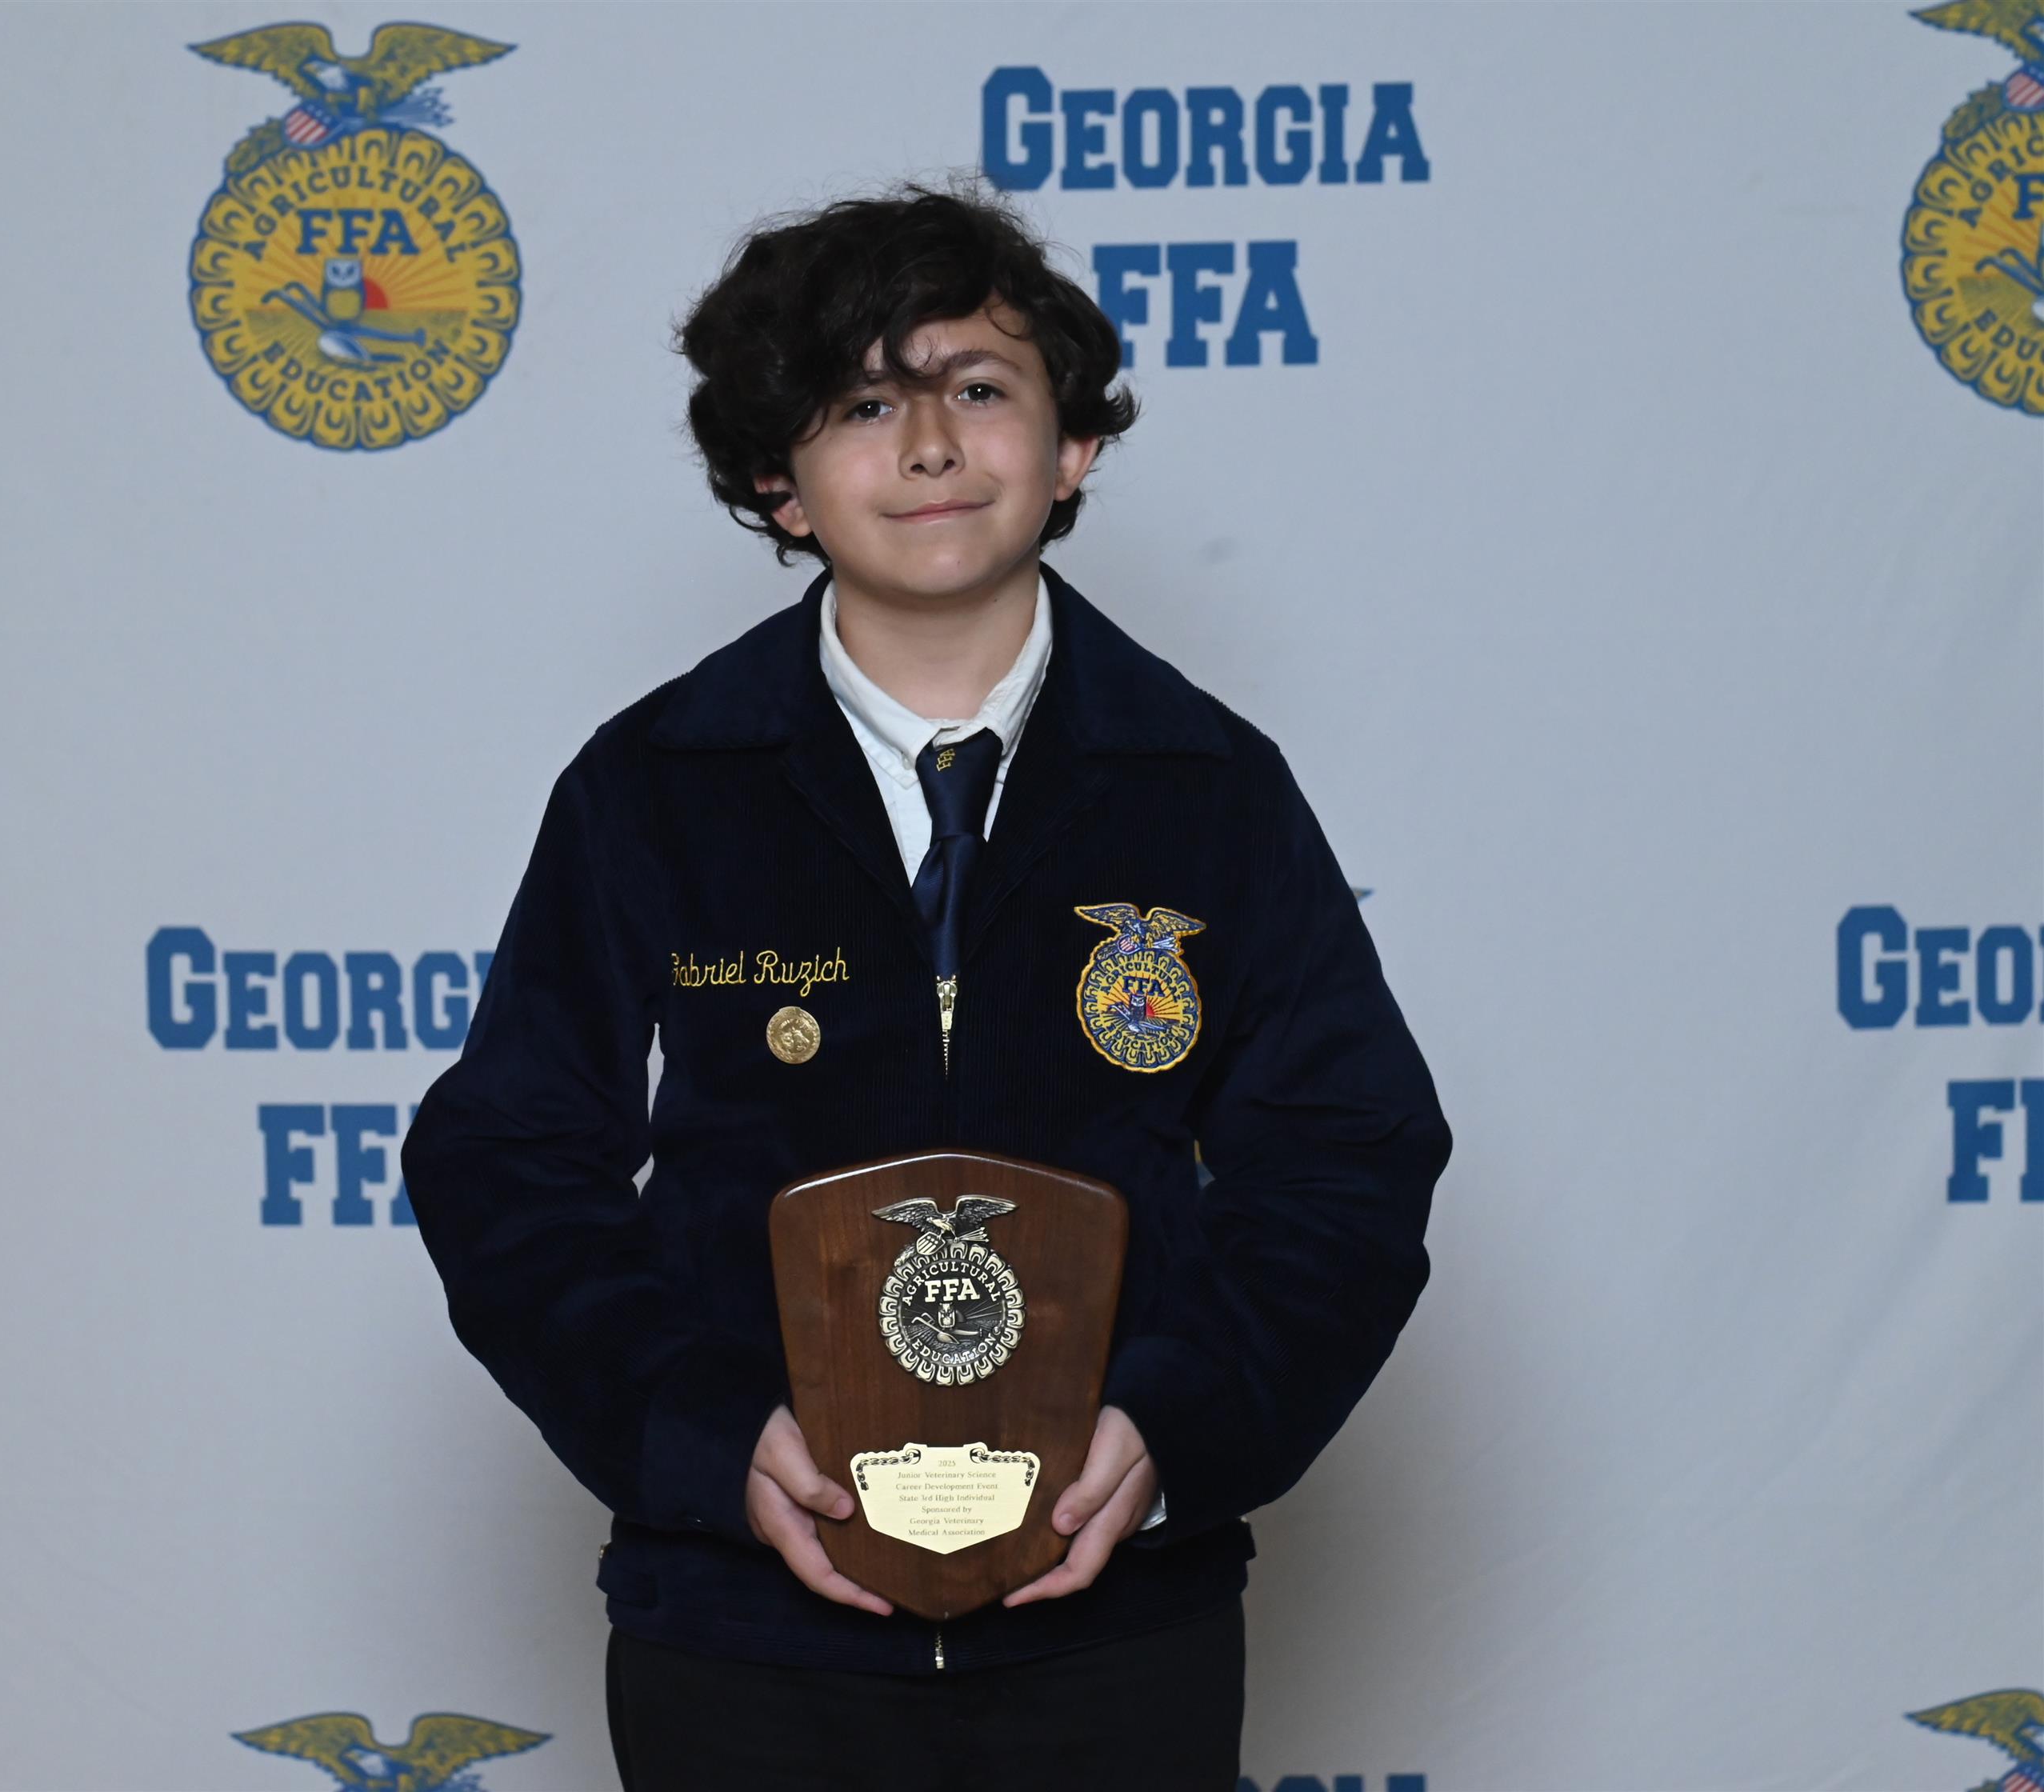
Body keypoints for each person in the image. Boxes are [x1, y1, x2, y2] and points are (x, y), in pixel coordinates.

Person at [400, 175, 1453, 1792]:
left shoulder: (1211, 789)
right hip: (744, 1639)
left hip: (1114, 1632)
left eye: (978, 388)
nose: (932, 447)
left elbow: (1345, 1162)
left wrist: (1175, 1430)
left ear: (1072, 444)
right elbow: (508, 1163)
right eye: (862, 405)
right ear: (779, 483)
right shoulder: (653, 787)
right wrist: (703, 1436)